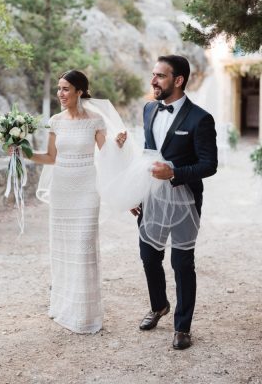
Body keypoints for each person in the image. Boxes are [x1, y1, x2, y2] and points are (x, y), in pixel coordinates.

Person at [27, 70, 127, 334]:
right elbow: (50, 157)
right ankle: (63, 307)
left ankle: (84, 314)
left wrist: (117, 145)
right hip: (62, 191)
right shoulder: (55, 121)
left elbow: (106, 155)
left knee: (83, 247)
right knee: (62, 249)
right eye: (59, 89)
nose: (60, 94)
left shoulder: (95, 120)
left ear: (80, 92)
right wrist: (22, 151)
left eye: (66, 89)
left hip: (86, 190)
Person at [131, 55, 218, 349]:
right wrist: (135, 192)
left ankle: (182, 327)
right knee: (149, 256)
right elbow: (146, 154)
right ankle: (159, 306)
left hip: (184, 200)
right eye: (153, 75)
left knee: (182, 263)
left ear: (178, 80)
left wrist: (175, 173)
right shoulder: (147, 109)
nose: (153, 81)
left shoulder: (200, 119)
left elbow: (209, 164)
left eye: (160, 76)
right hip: (151, 197)